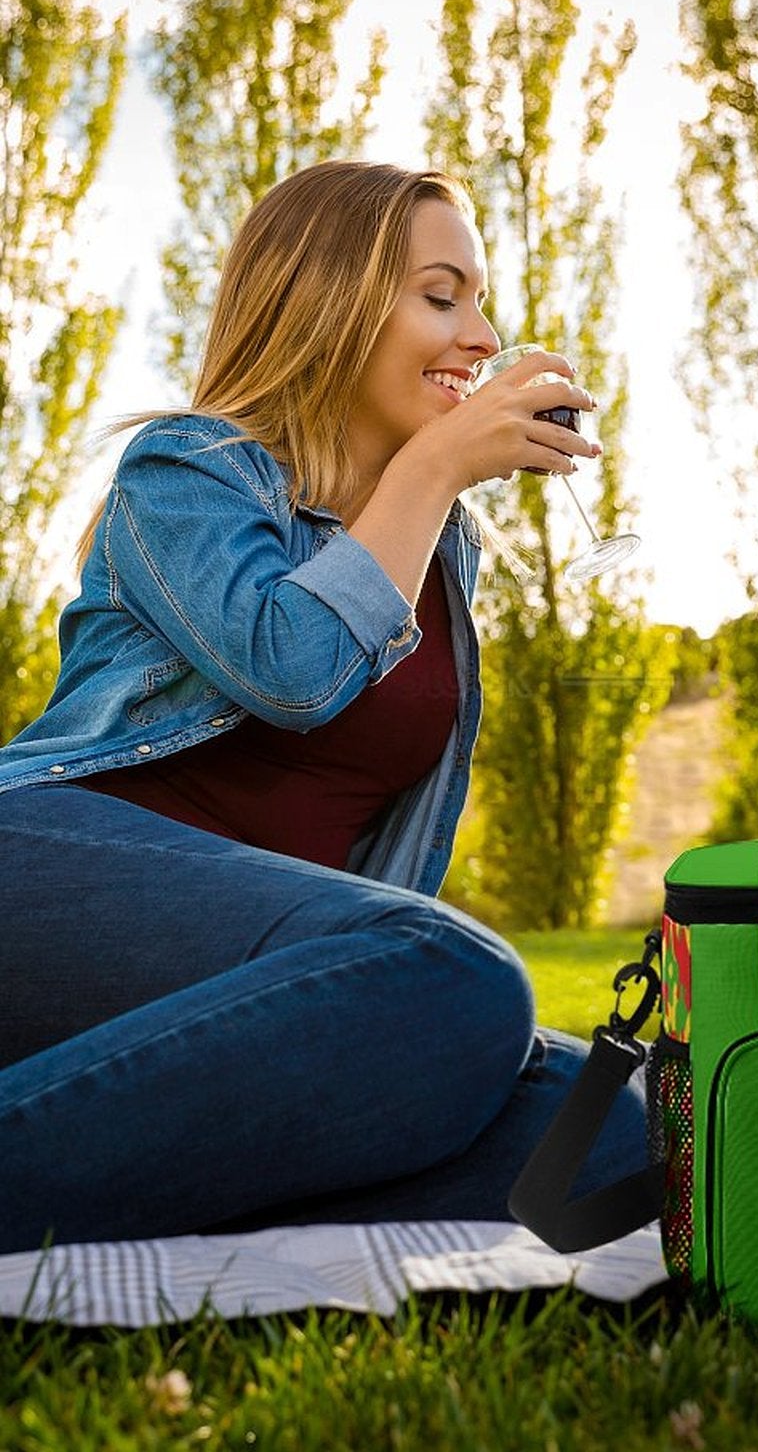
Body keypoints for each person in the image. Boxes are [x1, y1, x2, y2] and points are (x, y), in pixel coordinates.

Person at [0, 160, 645, 1253]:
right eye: (442, 296)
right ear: (326, 303)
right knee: (460, 977)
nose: (482, 335)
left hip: (243, 975)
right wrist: (434, 467)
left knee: (611, 1139)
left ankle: (114, 1185)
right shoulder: (186, 470)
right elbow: (292, 670)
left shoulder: (444, 556)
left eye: (480, 301)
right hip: (43, 881)